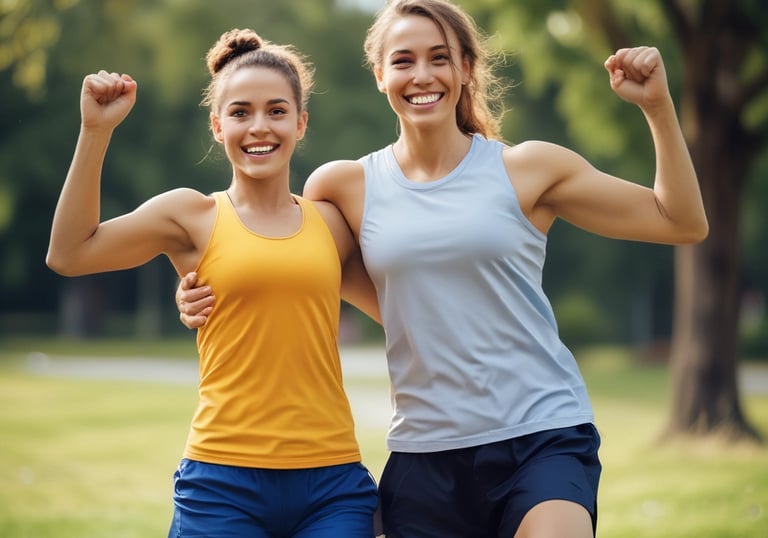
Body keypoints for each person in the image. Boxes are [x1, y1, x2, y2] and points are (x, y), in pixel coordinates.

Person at [177, 1, 709, 536]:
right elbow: (288, 266)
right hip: (424, 453)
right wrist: (198, 289)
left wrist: (659, 106)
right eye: (403, 60)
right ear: (380, 74)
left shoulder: (529, 169)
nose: (423, 75)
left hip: (541, 434)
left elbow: (680, 221)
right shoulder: (342, 188)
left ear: (466, 70)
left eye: (440, 58)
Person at [46, 28, 381, 537]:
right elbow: (69, 253)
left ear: (301, 122)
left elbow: (404, 303)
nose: (259, 127)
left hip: (332, 483)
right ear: (217, 125)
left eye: (276, 110)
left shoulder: (333, 223)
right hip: (222, 482)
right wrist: (96, 131)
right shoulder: (190, 215)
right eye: (240, 112)